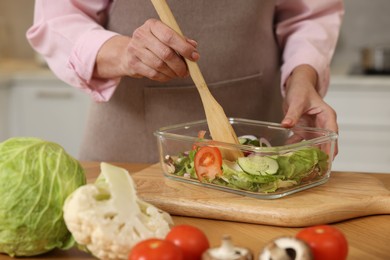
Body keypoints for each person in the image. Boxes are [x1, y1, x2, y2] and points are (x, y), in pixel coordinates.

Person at [26, 0, 343, 163]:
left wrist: (304, 76)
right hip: (131, 151)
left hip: (261, 137)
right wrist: (124, 53)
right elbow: (55, 19)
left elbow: (310, 14)